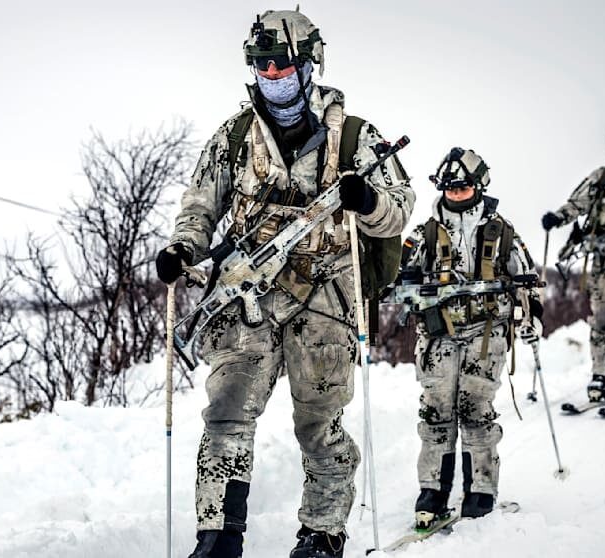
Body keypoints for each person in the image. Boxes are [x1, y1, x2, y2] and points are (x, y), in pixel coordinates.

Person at [155, 8, 414, 558]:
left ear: (308, 65)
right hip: (247, 297)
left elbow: (398, 212)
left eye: (283, 68)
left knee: (319, 423)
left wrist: (365, 200)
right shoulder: (235, 135)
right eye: (263, 69)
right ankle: (217, 534)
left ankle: (322, 533)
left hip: (325, 298)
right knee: (226, 409)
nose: (274, 78)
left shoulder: (356, 139)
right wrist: (182, 249)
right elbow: (200, 206)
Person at [398, 147, 542, 527]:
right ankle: (433, 489)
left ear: (478, 186)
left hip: (486, 332)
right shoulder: (425, 232)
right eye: (449, 188)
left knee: (476, 409)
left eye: (463, 188)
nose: (456, 194)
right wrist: (408, 287)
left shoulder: (501, 230)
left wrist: (533, 315)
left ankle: (481, 488)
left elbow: (527, 276)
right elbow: (402, 275)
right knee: (435, 410)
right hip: (438, 333)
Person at [541, 117, 605, 405]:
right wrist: (558, 217)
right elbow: (577, 204)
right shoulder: (602, 178)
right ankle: (601, 376)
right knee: (602, 319)